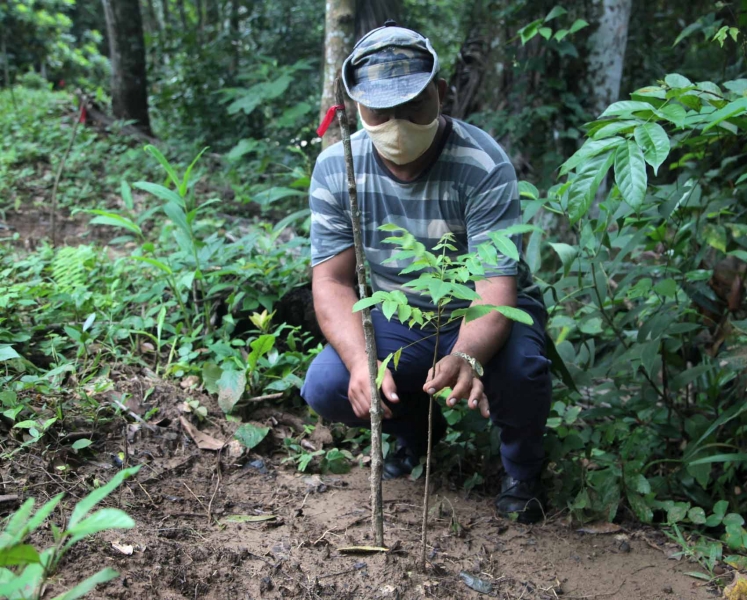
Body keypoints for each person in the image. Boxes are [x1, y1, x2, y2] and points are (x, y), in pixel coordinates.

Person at [300, 22, 552, 524]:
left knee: (522, 369)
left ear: (439, 93)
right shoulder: (337, 167)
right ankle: (412, 432)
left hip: (483, 309)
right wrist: (359, 362)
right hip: (399, 313)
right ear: (354, 107)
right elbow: (331, 281)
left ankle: (522, 472)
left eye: (412, 104)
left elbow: (495, 288)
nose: (396, 122)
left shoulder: (481, 163)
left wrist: (467, 354)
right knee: (328, 383)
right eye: (380, 109)